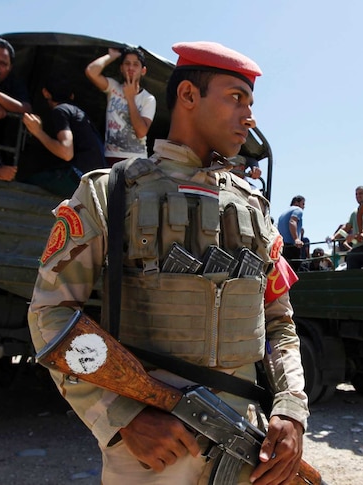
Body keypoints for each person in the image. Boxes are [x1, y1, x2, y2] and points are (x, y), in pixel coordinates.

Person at [28, 41, 308, 484]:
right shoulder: (109, 191)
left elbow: (280, 324)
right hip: (150, 453)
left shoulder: (255, 207)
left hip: (247, 445)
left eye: (251, 103)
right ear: (188, 96)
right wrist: (121, 417)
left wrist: (291, 410)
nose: (249, 116)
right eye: (235, 97)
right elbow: (53, 315)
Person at [21, 76, 105, 197]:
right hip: (96, 183)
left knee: (28, 183)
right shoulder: (77, 112)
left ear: (45, 93)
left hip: (79, 179)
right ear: (72, 96)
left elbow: (66, 152)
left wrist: (37, 132)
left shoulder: (60, 111)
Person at [86, 47, 157, 164]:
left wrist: (130, 98)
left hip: (136, 160)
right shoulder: (113, 88)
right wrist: (112, 56)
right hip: (111, 157)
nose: (131, 68)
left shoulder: (148, 99)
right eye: (127, 64)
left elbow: (141, 132)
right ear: (121, 68)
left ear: (143, 71)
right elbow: (91, 72)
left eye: (135, 64)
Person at [334, 186, 363, 269]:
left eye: (360, 193)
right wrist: (334, 237)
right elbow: (347, 227)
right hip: (355, 248)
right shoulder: (354, 212)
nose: (358, 196)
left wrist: (359, 234)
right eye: (356, 194)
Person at [277, 195, 306, 270]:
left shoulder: (283, 213)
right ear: (296, 203)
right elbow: (292, 221)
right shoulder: (298, 210)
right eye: (303, 204)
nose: (304, 207)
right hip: (292, 247)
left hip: (282, 247)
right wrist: (296, 239)